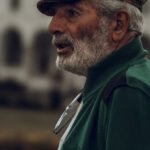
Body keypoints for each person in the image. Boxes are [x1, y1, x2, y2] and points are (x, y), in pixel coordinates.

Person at [37, 0, 150, 149]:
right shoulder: (108, 82)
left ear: (118, 24)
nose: (52, 27)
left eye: (72, 13)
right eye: (54, 13)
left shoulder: (128, 90)